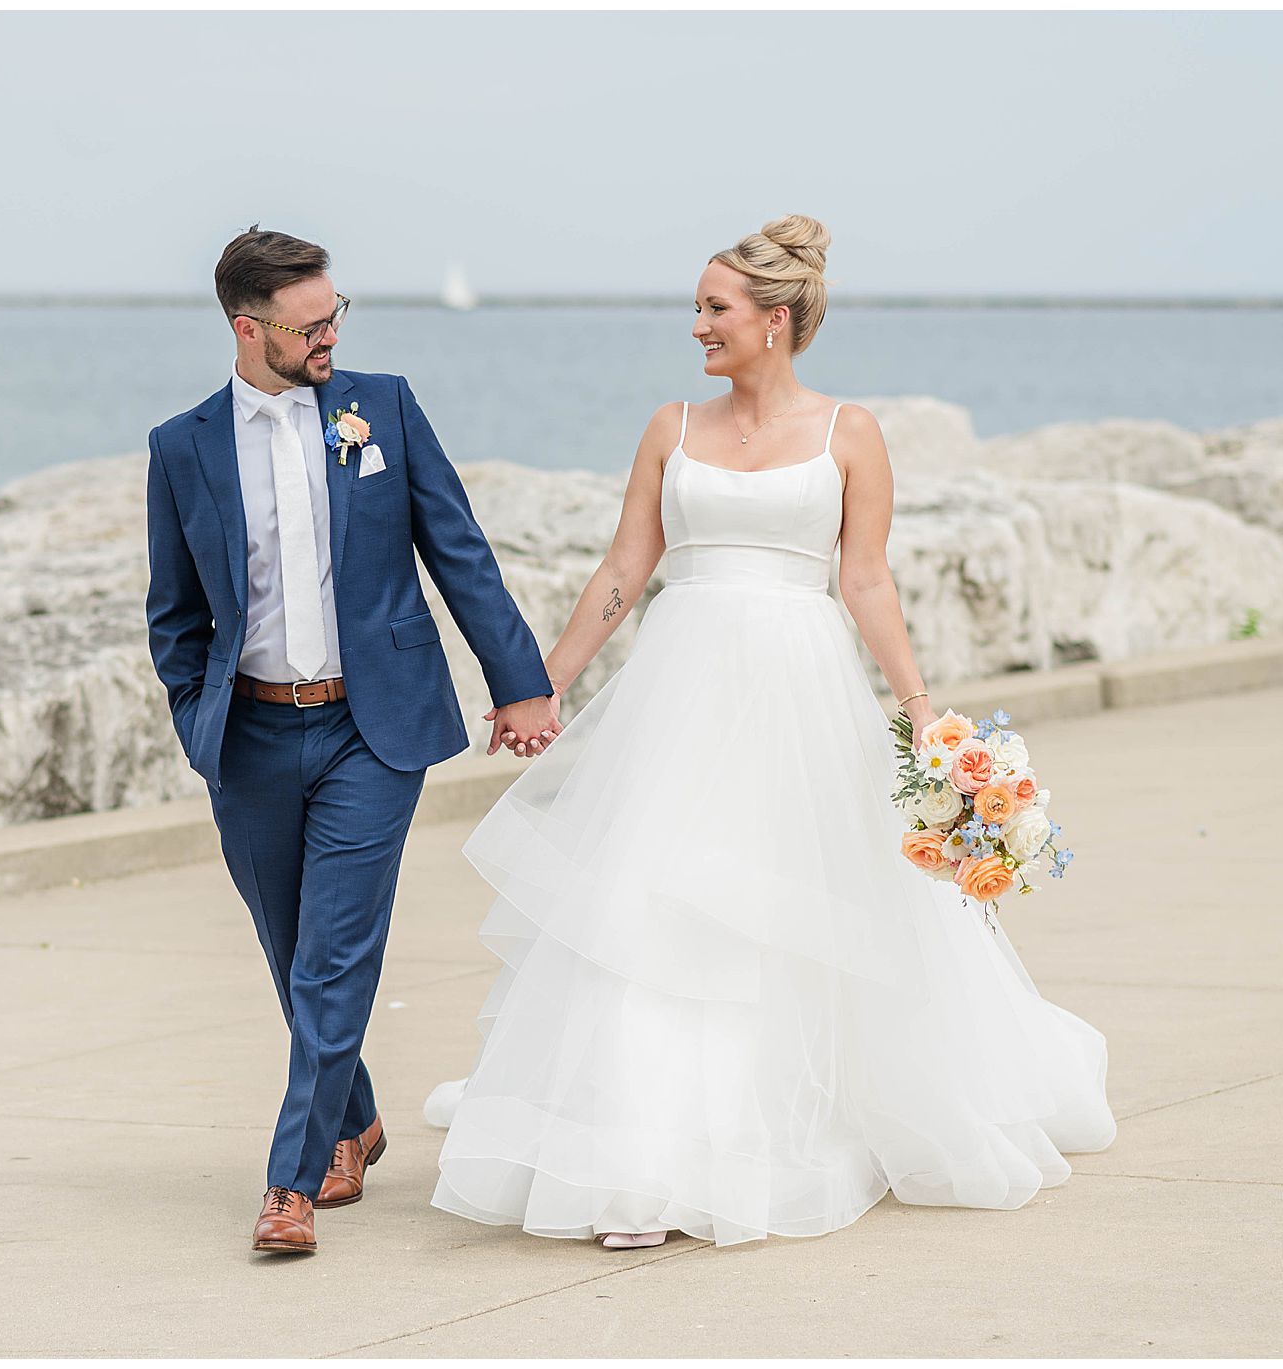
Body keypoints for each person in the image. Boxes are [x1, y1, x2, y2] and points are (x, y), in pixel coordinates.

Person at [424, 214, 1117, 1250]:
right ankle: (641, 1161)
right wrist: (541, 686)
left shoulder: (850, 434)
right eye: (698, 307)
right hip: (678, 691)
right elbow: (625, 567)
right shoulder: (671, 426)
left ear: (775, 320)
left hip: (798, 694)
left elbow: (864, 577)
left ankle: (772, 1134)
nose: (696, 325)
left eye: (715, 309)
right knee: (654, 907)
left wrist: (921, 711)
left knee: (780, 906)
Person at [144, 226, 562, 1256]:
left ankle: (287, 1184)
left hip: (370, 730)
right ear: (249, 329)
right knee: (292, 955)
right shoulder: (180, 446)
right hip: (247, 735)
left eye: (337, 314)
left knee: (334, 956)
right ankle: (354, 1118)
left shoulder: (383, 406)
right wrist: (196, 713)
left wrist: (520, 684)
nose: (330, 334)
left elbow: (458, 551)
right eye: (309, 324)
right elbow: (174, 615)